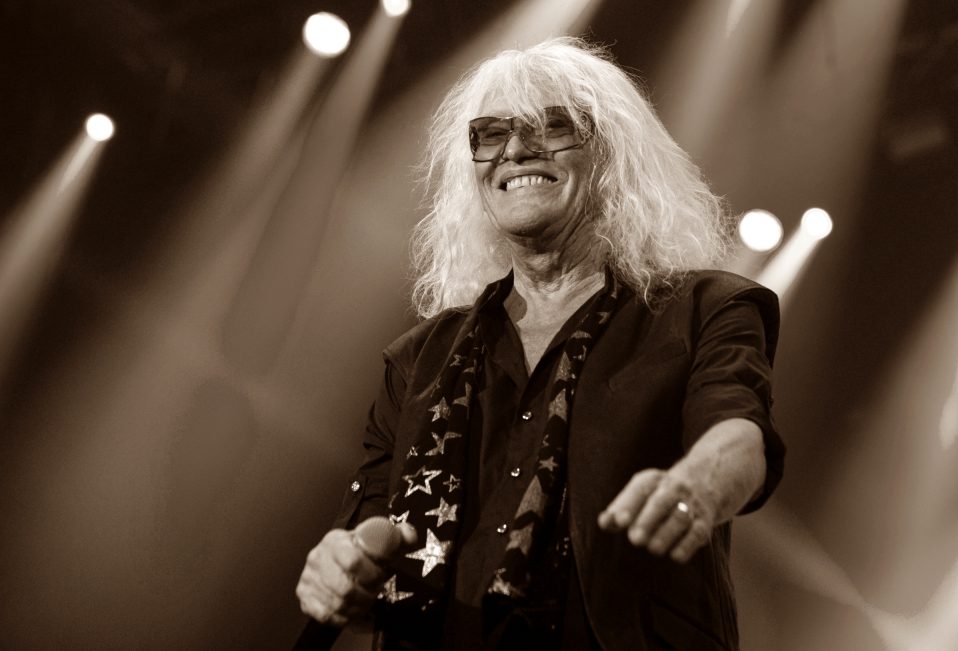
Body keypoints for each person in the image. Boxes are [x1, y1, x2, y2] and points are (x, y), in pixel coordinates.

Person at [295, 37, 783, 650]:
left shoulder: (705, 308)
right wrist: (338, 568)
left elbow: (739, 432)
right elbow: (369, 521)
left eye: (552, 126)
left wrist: (699, 487)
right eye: (490, 134)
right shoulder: (418, 360)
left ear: (611, 156)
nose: (515, 150)